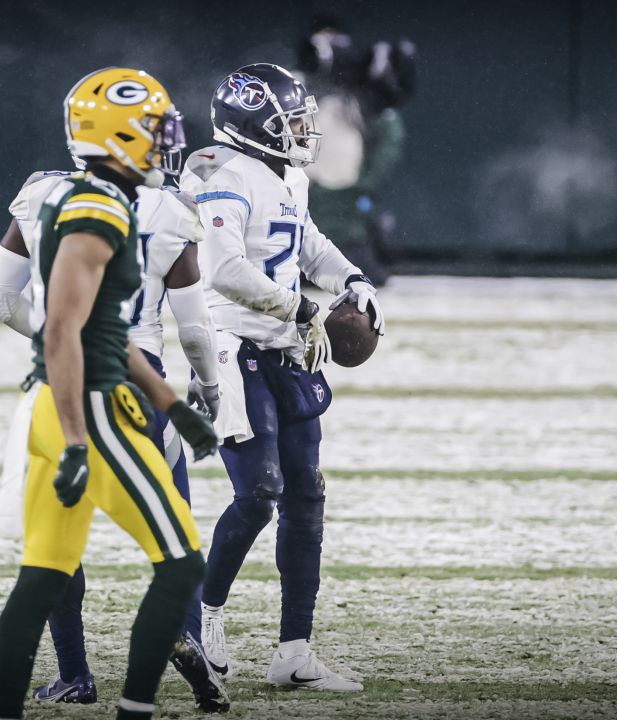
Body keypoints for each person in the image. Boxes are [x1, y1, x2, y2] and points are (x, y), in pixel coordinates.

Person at [0, 67, 220, 720]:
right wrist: (79, 439)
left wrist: (174, 405)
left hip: (59, 399)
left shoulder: (65, 194)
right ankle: (135, 710)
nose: (164, 143)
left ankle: (15, 708)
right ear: (115, 135)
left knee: (41, 578)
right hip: (88, 406)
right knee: (178, 565)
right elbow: (67, 332)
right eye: (152, 131)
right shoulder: (99, 207)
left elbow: (97, 331)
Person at [179, 63, 385, 692]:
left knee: (306, 494)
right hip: (235, 345)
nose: (302, 132)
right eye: (290, 123)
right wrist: (298, 307)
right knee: (259, 494)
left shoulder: (288, 176)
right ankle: (202, 620)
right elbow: (222, 270)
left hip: (288, 348)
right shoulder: (226, 177)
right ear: (255, 126)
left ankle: (294, 649)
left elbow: (308, 242)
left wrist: (352, 278)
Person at [295, 16, 416, 287]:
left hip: (346, 208)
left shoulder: (359, 99)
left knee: (356, 272)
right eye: (323, 44)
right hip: (300, 202)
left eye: (336, 44)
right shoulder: (293, 87)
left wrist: (363, 184)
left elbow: (387, 133)